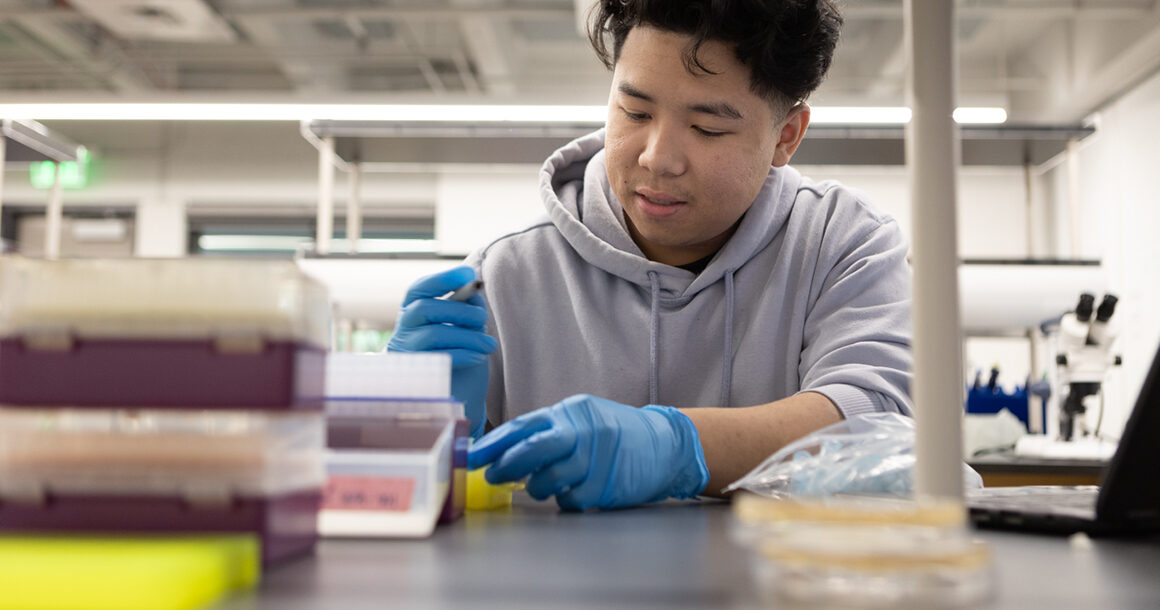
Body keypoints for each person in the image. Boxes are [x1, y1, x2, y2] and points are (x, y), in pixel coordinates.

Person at [388, 0, 913, 511]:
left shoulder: (842, 245)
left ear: (786, 136)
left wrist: (679, 445)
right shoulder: (503, 277)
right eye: (634, 111)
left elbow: (883, 426)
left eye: (707, 128)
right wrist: (414, 427)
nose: (657, 158)